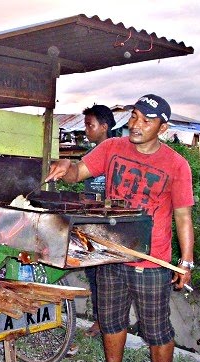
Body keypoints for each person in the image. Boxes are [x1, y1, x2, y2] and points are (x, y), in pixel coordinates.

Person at [46, 94, 194, 362]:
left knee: (156, 330)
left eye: (146, 120)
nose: (136, 124)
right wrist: (67, 167)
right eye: (135, 116)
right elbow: (78, 172)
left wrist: (186, 261)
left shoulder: (176, 165)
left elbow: (183, 216)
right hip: (110, 254)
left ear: (162, 128)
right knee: (112, 321)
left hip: (151, 261)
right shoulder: (113, 147)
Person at [81, 104, 116, 338]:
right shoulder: (93, 153)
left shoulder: (115, 153)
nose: (86, 130)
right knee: (94, 274)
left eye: (89, 125)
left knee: (104, 276)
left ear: (104, 127)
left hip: (110, 224)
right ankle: (101, 320)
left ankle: (105, 322)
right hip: (94, 220)